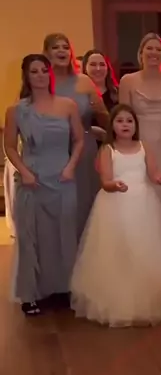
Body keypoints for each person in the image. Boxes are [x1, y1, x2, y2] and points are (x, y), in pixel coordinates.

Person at [71, 104, 161, 327]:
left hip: (143, 204)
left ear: (136, 125)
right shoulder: (108, 150)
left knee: (144, 248)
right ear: (112, 126)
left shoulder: (144, 147)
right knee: (119, 248)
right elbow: (105, 180)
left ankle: (147, 299)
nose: (125, 125)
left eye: (129, 121)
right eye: (120, 121)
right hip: (115, 204)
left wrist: (160, 177)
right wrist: (114, 185)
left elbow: (153, 172)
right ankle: (119, 302)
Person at [4, 54, 83, 315]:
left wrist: (71, 167)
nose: (40, 75)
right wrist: (24, 172)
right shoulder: (16, 111)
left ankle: (62, 288)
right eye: (34, 71)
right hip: (32, 177)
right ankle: (31, 294)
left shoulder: (68, 105)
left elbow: (79, 140)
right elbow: (9, 146)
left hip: (62, 176)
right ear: (26, 76)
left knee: (63, 233)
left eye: (43, 70)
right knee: (32, 235)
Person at [119, 33, 161, 223]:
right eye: (149, 48)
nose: (154, 52)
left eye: (158, 49)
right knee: (138, 200)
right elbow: (123, 120)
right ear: (140, 53)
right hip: (137, 148)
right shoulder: (127, 81)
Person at [43, 32, 109, 237]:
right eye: (55, 47)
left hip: (84, 153)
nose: (61, 51)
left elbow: (104, 117)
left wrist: (101, 122)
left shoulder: (84, 81)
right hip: (51, 152)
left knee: (83, 204)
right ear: (46, 53)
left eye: (65, 47)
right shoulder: (40, 81)